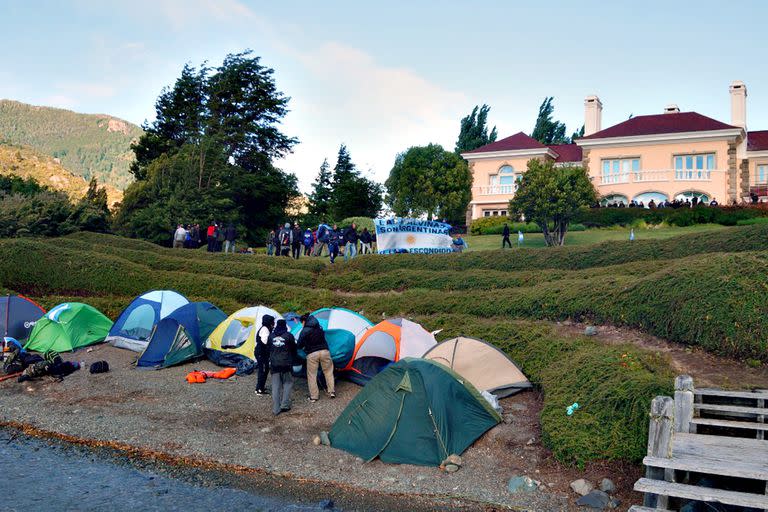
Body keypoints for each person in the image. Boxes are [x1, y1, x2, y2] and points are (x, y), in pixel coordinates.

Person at [297, 313, 335, 402]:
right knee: (328, 372)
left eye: (301, 323)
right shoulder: (319, 327)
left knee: (312, 375)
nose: (301, 325)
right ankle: (331, 392)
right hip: (325, 352)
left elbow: (299, 344)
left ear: (304, 321)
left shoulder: (304, 330)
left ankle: (314, 397)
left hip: (312, 354)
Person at [268, 319, 298, 415]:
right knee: (288, 383)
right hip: (286, 364)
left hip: (274, 364)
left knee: (276, 387)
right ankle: (285, 405)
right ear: (285, 326)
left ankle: (276, 409)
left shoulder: (271, 336)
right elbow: (294, 349)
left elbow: (268, 348)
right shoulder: (289, 336)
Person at [254, 314, 275, 396]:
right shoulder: (265, 329)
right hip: (261, 353)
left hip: (261, 353)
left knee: (264, 369)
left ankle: (260, 387)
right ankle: (259, 389)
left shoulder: (265, 328)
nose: (273, 323)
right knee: (263, 370)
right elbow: (265, 341)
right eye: (272, 322)